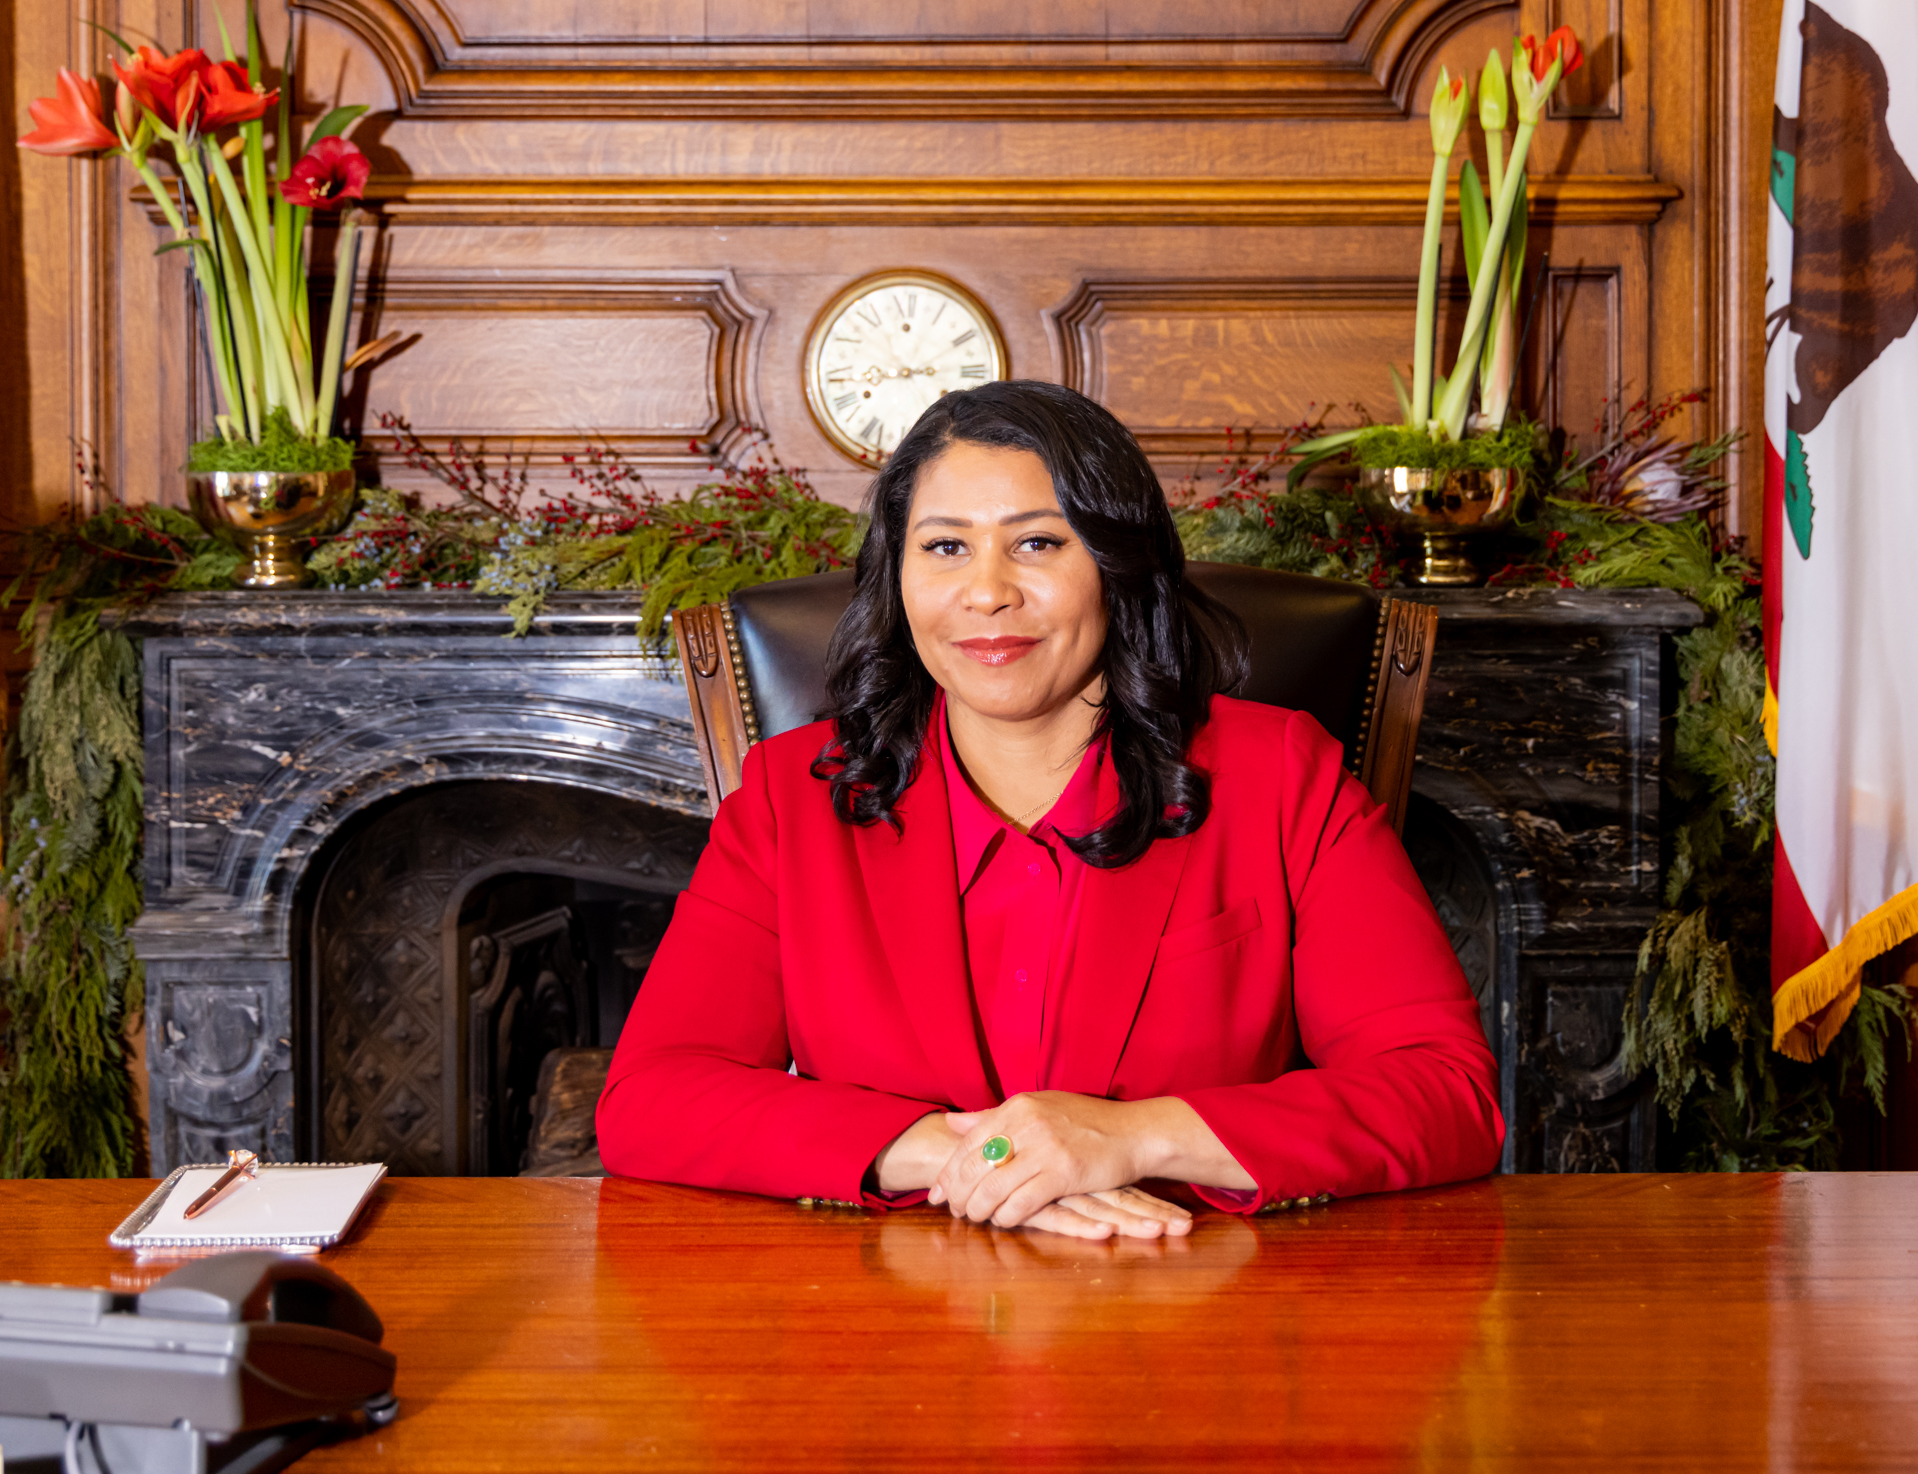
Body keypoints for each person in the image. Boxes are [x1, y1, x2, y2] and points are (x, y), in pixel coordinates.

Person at [596, 382, 1501, 1239]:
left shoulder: (1280, 775)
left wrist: (1133, 1136)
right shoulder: (796, 798)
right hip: (884, 1332)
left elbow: (1446, 1092)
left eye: (1038, 543)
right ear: (897, 577)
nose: (987, 592)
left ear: (1118, 564)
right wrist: (973, 1160)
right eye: (945, 546)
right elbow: (650, 1097)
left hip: (1200, 1317)